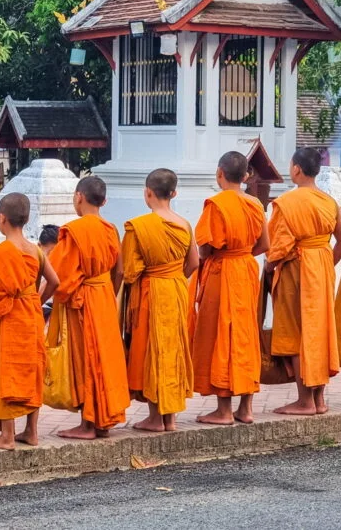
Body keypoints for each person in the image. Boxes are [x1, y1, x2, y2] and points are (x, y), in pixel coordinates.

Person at [266, 148, 341, 416]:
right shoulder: (329, 201)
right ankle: (320, 400)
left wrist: (269, 268)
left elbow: (278, 248)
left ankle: (305, 401)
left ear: (296, 170)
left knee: (296, 332)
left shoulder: (286, 203)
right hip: (322, 266)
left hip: (296, 269)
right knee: (320, 330)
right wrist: (326, 263)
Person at [0, 193, 59, 450]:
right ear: (25, 219)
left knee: (7, 371)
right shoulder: (35, 250)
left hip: (9, 318)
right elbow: (55, 282)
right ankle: (31, 432)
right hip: (31, 316)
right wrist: (34, 299)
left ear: (1, 219)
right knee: (31, 370)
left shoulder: (0, 253)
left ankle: (7, 436)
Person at [49, 176, 130, 439]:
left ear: (78, 197)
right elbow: (119, 271)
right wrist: (108, 294)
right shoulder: (110, 229)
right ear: (104, 201)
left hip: (84, 301)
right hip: (105, 296)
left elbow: (60, 276)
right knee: (105, 358)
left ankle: (87, 424)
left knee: (87, 358)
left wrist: (38, 301)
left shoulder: (74, 231)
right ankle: (103, 419)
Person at [192, 152, 269, 425]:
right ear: (246, 176)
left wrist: (221, 255)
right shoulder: (255, 204)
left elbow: (204, 248)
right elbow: (265, 245)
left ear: (219, 174)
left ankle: (224, 410)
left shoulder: (215, 204)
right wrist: (243, 251)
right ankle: (246, 408)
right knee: (246, 334)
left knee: (220, 334)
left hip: (222, 270)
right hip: (246, 269)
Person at [122, 168, 199, 432]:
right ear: (174, 194)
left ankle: (156, 418)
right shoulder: (185, 224)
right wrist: (174, 276)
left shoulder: (138, 227)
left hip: (151, 290)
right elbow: (194, 263)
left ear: (148, 193)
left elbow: (129, 270)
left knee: (152, 348)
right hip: (177, 288)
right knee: (174, 348)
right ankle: (171, 417)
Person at [38, 224, 60, 323]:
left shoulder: (62, 268)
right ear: (39, 246)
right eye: (50, 253)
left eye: (57, 255)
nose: (52, 259)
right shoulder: (31, 266)